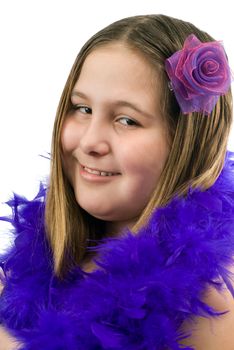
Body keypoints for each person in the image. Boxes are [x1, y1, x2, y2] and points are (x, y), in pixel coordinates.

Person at [0, 13, 234, 349]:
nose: (90, 142)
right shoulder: (25, 271)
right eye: (82, 109)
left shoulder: (208, 303)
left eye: (126, 119)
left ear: (187, 144)